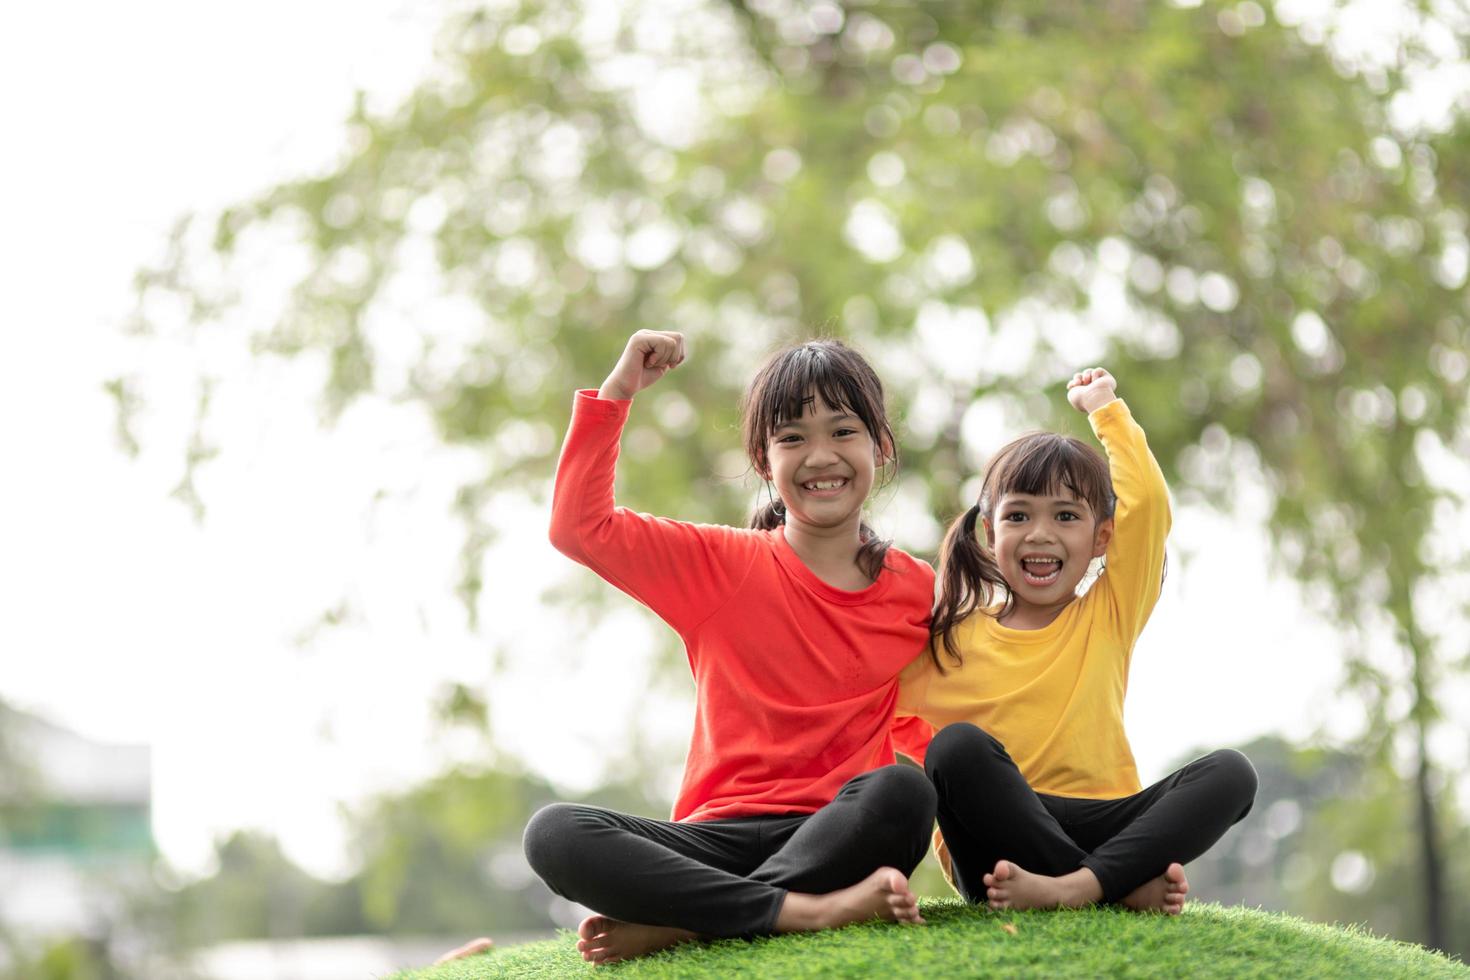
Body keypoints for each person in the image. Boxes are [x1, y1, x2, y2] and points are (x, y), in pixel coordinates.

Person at [492, 330, 938, 965]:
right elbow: (579, 527)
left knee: (905, 791)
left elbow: (937, 718)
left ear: (881, 446)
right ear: (763, 461)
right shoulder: (722, 565)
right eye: (792, 438)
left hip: (834, 835)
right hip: (712, 839)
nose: (820, 456)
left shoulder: (917, 590)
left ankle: (695, 924)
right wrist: (618, 393)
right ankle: (790, 911)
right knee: (555, 833)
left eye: (843, 431)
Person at [894, 367, 1257, 915]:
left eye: (1066, 516)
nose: (1041, 533)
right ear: (990, 535)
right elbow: (871, 709)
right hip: (997, 854)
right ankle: (1114, 889)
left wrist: (1106, 410)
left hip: (1105, 829)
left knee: (1232, 772)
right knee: (956, 748)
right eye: (1019, 515)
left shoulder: (1110, 612)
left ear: (1101, 538)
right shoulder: (951, 640)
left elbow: (1150, 506)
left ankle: (1079, 888)